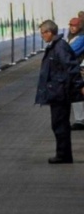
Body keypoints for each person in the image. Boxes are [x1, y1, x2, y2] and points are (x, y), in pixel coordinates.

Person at [34, 20, 78, 164]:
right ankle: (63, 154)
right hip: (57, 91)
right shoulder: (56, 46)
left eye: (43, 33)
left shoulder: (59, 47)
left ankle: (63, 155)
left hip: (60, 92)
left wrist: (80, 85)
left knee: (60, 124)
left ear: (50, 32)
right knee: (58, 124)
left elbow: (71, 67)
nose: (42, 36)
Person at [69, 16, 84, 130]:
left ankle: (80, 120)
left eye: (74, 25)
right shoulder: (73, 36)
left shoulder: (81, 37)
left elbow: (71, 51)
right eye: (71, 25)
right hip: (77, 68)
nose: (72, 27)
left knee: (77, 93)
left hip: (79, 69)